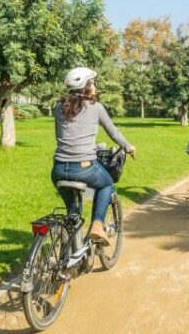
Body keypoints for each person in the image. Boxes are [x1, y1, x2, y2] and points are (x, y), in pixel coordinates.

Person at [52, 67, 136, 247]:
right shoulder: (96, 107)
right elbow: (113, 132)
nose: (95, 86)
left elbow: (61, 135)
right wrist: (128, 147)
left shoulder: (59, 107)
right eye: (93, 83)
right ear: (88, 87)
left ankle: (70, 255)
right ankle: (97, 225)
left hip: (58, 169)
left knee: (73, 213)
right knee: (107, 184)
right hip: (84, 167)